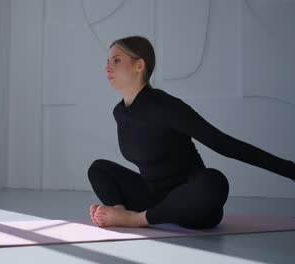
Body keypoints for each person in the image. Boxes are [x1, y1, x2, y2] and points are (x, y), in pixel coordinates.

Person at [88, 36, 295, 229]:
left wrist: (289, 170)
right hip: (153, 198)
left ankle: (137, 219)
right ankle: (121, 212)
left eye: (116, 61)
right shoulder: (120, 112)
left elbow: (223, 144)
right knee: (98, 168)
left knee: (214, 182)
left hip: (192, 201)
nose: (107, 68)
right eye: (107, 61)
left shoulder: (166, 106)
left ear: (139, 65)